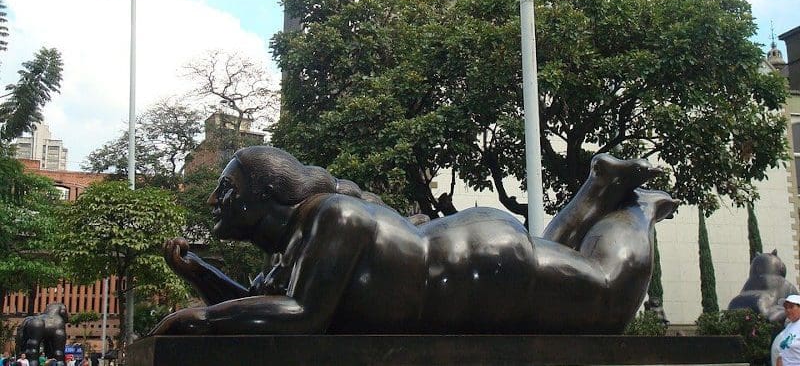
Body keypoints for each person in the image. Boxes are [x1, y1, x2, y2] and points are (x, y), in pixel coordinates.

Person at [152, 146, 677, 335]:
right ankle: (601, 185)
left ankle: (637, 208)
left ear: (264, 195)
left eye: (227, 189)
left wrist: (200, 319)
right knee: (551, 260)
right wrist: (199, 275)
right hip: (475, 268)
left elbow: (302, 316)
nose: (215, 200)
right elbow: (262, 312)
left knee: (606, 300)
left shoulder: (333, 217)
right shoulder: (296, 246)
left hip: (482, 265)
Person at [773, 295, 800, 366]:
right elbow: (782, 353)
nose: (788, 310)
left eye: (791, 307)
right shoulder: (789, 326)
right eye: (785, 307)